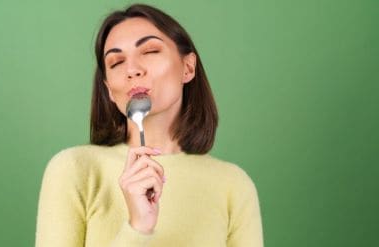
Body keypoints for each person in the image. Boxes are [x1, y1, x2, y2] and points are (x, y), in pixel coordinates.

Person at [35, 3, 263, 247]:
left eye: (150, 51)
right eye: (116, 62)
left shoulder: (233, 185)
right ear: (109, 89)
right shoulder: (75, 170)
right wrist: (138, 226)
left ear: (188, 67)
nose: (132, 69)